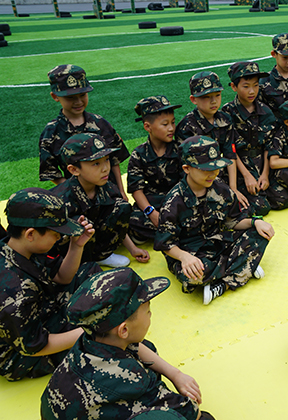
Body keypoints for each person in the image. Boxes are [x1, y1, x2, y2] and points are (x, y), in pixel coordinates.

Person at [40, 267, 215, 420]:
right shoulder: (131, 380)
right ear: (123, 330)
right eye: (148, 310)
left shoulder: (86, 343)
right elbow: (191, 412)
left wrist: (175, 374)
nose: (150, 315)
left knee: (147, 348)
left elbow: (136, 346)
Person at [154, 136, 275, 305]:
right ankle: (245, 266)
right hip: (193, 254)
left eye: (216, 168)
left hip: (220, 243)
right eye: (205, 169)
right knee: (192, 276)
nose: (213, 174)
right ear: (187, 168)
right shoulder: (174, 202)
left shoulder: (220, 188)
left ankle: (224, 282)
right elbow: (165, 244)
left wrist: (255, 222)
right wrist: (185, 258)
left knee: (261, 234)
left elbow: (233, 222)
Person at [0, 187, 102, 381]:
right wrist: (90, 331)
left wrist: (76, 246)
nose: (60, 237)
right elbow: (34, 346)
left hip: (39, 309)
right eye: (56, 233)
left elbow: (62, 278)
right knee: (101, 346)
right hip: (20, 354)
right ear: (30, 234)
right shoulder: (14, 291)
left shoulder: (21, 248)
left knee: (89, 272)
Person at [50, 133, 150, 268]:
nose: (105, 168)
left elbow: (116, 219)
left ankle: (101, 255)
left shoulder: (107, 186)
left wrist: (133, 249)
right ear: (74, 170)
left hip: (91, 240)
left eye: (107, 159)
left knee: (121, 207)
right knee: (81, 224)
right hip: (63, 253)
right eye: (96, 163)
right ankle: (79, 263)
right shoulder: (60, 200)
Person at [39, 64, 129, 199]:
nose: (78, 101)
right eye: (70, 97)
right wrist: (77, 191)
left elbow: (114, 160)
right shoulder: (51, 133)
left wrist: (121, 191)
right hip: (78, 200)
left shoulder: (100, 123)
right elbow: (50, 172)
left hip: (109, 193)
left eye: (82, 95)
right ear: (55, 96)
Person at [175, 71, 247, 209]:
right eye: (206, 97)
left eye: (217, 95)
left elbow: (229, 154)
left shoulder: (225, 119)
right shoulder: (187, 128)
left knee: (253, 205)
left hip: (219, 173)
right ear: (193, 99)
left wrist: (233, 188)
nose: (213, 101)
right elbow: (189, 168)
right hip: (198, 180)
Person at [222, 61, 277, 217]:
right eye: (246, 86)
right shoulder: (227, 113)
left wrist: (265, 174)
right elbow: (230, 149)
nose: (252, 91)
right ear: (234, 87)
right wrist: (247, 175)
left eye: (256, 85)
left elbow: (269, 145)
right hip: (240, 165)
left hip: (262, 162)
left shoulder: (266, 111)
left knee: (282, 200)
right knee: (261, 207)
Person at [127, 95, 183, 244]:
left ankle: (166, 232)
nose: (171, 128)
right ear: (147, 127)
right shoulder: (139, 154)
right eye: (165, 124)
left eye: (173, 122)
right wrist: (150, 212)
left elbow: (188, 183)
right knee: (131, 219)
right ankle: (176, 233)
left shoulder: (181, 148)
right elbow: (136, 189)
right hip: (154, 202)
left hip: (179, 199)